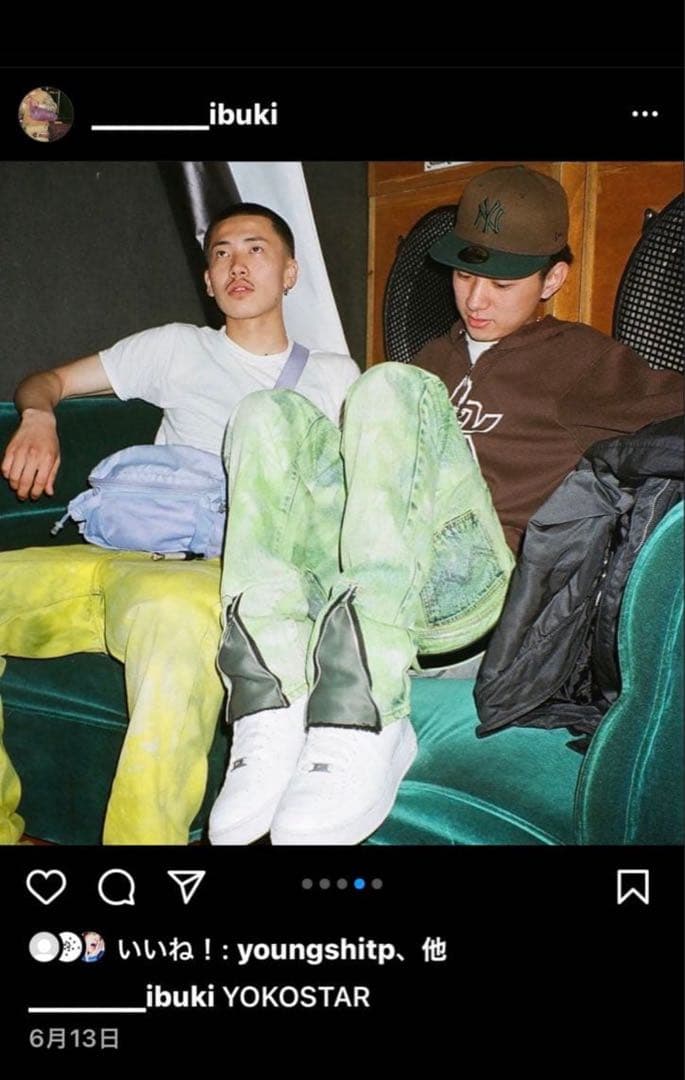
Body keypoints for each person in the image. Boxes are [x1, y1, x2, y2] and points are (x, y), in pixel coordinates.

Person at [209, 165, 682, 848]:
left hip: (481, 608)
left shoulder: (581, 361)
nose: (476, 299)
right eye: (465, 275)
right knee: (265, 412)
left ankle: (364, 706)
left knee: (386, 385)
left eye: (503, 284)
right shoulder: (432, 358)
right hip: (382, 591)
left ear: (552, 279)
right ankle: (269, 697)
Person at [0, 202, 359, 845]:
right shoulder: (176, 348)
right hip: (118, 550)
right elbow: (45, 380)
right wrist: (38, 417)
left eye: (255, 249)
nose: (236, 265)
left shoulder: (333, 377)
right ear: (208, 280)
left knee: (175, 623)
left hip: (217, 574)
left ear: (289, 273)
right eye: (221, 253)